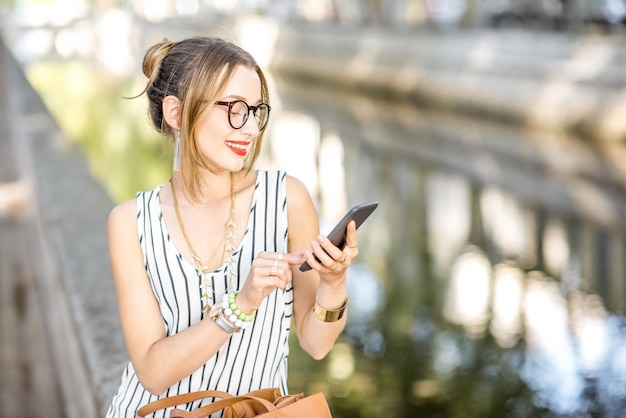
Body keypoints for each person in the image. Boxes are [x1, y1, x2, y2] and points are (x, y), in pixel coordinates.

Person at [105, 36, 359, 417]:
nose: (250, 128)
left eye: (256, 110)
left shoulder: (287, 199)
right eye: (234, 108)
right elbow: (153, 372)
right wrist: (242, 304)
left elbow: (317, 343)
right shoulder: (129, 222)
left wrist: (334, 281)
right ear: (176, 113)